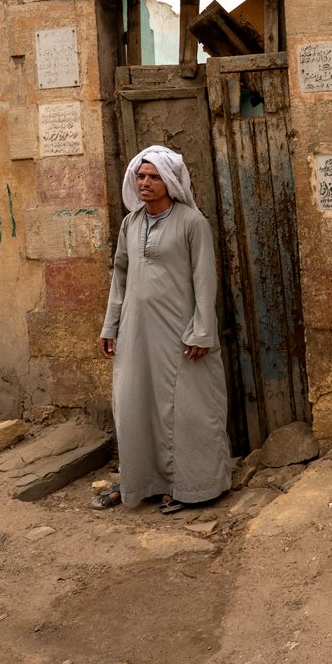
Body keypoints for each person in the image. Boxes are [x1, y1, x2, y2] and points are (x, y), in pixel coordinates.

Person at [94, 145, 233, 513]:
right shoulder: (131, 223)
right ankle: (142, 483)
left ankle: (193, 488)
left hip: (181, 337)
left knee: (188, 412)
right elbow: (120, 279)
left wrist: (202, 331)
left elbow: (205, 280)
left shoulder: (192, 223)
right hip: (137, 337)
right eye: (141, 176)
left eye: (154, 177)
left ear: (170, 182)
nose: (145, 183)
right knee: (135, 406)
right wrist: (111, 326)